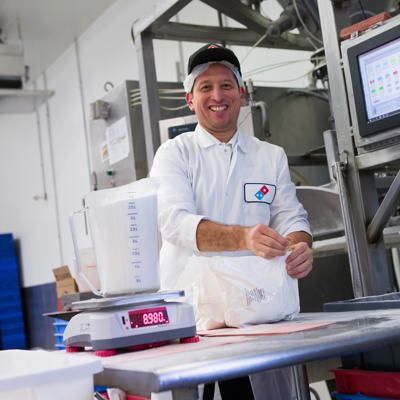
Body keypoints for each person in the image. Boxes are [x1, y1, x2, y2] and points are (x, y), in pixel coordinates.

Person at [150, 43, 313, 400]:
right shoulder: (174, 154)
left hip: (260, 316)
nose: (217, 95)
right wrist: (245, 238)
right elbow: (174, 223)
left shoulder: (269, 157)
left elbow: (292, 217)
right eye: (205, 87)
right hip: (194, 321)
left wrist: (300, 245)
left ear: (241, 94)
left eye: (226, 85)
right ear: (190, 100)